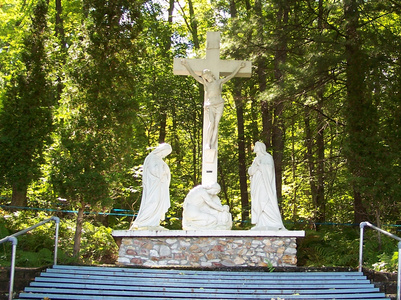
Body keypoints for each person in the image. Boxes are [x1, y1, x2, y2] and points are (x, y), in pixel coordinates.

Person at [181, 59, 245, 149]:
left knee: (216, 124)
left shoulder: (218, 82)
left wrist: (239, 67)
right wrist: (186, 65)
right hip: (211, 104)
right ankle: (208, 143)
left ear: (210, 74)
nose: (205, 77)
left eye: (206, 75)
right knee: (211, 123)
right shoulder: (206, 84)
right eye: (204, 76)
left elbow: (231, 76)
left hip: (219, 104)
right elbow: (194, 75)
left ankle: (213, 144)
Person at [130, 143, 172, 230]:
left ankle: (153, 222)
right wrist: (163, 169)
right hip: (153, 185)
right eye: (165, 152)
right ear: (161, 150)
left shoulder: (159, 159)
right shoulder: (152, 158)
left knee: (158, 203)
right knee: (152, 202)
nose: (165, 155)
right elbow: (153, 170)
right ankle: (143, 222)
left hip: (159, 185)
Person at [248, 141, 286, 231]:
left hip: (264, 184)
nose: (254, 147)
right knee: (258, 202)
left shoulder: (267, 157)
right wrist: (255, 167)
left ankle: (275, 221)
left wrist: (260, 166)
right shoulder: (255, 159)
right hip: (256, 185)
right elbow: (250, 171)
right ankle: (261, 223)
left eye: (256, 146)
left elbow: (269, 169)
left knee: (264, 201)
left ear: (260, 147)